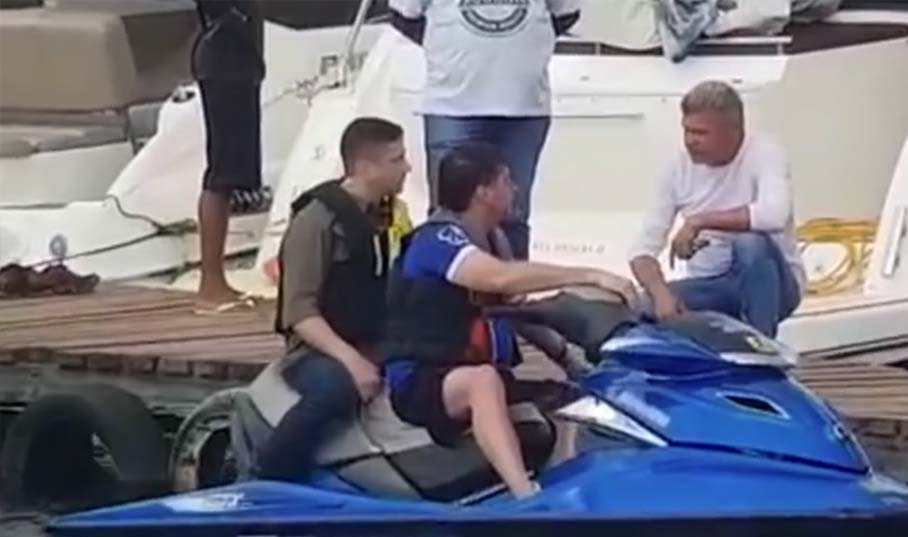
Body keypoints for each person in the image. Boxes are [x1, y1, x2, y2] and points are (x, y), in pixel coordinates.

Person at [382, 142, 638, 499]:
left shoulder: (493, 239)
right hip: (421, 380)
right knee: (483, 381)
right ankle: (526, 497)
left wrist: (570, 360)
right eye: (505, 180)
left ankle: (566, 494)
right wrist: (591, 275)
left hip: (476, 372)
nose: (514, 188)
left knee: (573, 401)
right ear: (483, 192)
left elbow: (511, 309)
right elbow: (499, 279)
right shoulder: (437, 239)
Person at [256, 117, 412, 480]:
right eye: (397, 159)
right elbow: (300, 311)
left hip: (373, 336)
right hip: (317, 351)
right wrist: (353, 362)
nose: (407, 167)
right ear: (365, 167)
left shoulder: (383, 214)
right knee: (334, 392)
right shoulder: (317, 221)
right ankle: (268, 475)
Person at [388, 0, 582, 260]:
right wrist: (446, 48)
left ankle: (510, 284)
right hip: (451, 106)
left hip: (523, 109)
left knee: (512, 215)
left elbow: (566, 13)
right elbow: (403, 14)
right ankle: (447, 285)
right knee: (448, 215)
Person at [628, 80, 806, 338]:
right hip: (712, 286)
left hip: (776, 287)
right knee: (642, 304)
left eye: (701, 133)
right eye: (687, 131)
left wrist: (698, 222)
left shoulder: (766, 152)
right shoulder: (676, 167)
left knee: (750, 243)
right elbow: (642, 250)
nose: (690, 141)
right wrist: (661, 294)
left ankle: (763, 347)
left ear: (734, 132)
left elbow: (774, 214)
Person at [191, 0, 266, 314]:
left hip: (234, 61)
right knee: (221, 172)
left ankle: (215, 281)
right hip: (225, 62)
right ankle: (210, 286)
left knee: (228, 171)